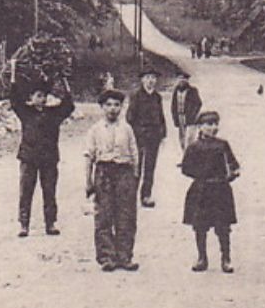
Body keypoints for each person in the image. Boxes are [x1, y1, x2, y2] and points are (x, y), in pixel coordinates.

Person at [85, 88, 141, 272]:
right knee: (104, 215)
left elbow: (135, 154)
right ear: (102, 107)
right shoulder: (95, 130)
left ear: (122, 107)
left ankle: (125, 256)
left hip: (124, 172)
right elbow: (89, 156)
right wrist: (88, 181)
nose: (112, 109)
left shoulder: (127, 129)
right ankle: (107, 257)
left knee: (126, 215)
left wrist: (134, 178)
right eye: (108, 105)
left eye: (117, 105)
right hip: (104, 173)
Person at [11, 75, 74, 237]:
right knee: (26, 191)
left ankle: (50, 223)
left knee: (49, 191)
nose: (42, 99)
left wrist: (64, 81)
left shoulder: (54, 114)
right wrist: (13, 74)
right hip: (28, 158)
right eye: (38, 95)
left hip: (49, 158)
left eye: (44, 95)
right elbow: (14, 99)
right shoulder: (25, 112)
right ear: (30, 98)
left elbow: (69, 106)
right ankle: (24, 224)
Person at [180, 110, 239, 273]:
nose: (213, 127)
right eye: (209, 124)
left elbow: (233, 164)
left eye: (215, 124)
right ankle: (202, 258)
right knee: (200, 225)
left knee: (223, 226)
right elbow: (185, 168)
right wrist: (200, 175)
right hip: (201, 191)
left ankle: (226, 258)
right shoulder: (194, 147)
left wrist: (232, 174)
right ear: (200, 127)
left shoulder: (223, 145)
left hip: (221, 190)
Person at [126, 67, 168, 208]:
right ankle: (131, 196)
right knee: (136, 166)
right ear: (142, 80)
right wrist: (136, 133)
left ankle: (146, 195)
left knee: (150, 167)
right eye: (148, 78)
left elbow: (161, 116)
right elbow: (130, 117)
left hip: (154, 137)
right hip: (140, 137)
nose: (151, 81)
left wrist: (163, 133)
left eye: (153, 78)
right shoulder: (136, 96)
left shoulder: (157, 97)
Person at [171, 72, 203, 159]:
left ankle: (190, 159)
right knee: (182, 139)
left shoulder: (192, 91)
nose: (181, 80)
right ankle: (185, 157)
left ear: (187, 80)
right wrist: (175, 118)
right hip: (180, 117)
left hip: (190, 118)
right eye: (179, 78)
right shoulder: (176, 91)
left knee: (189, 139)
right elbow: (173, 106)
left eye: (183, 79)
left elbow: (198, 103)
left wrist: (193, 114)